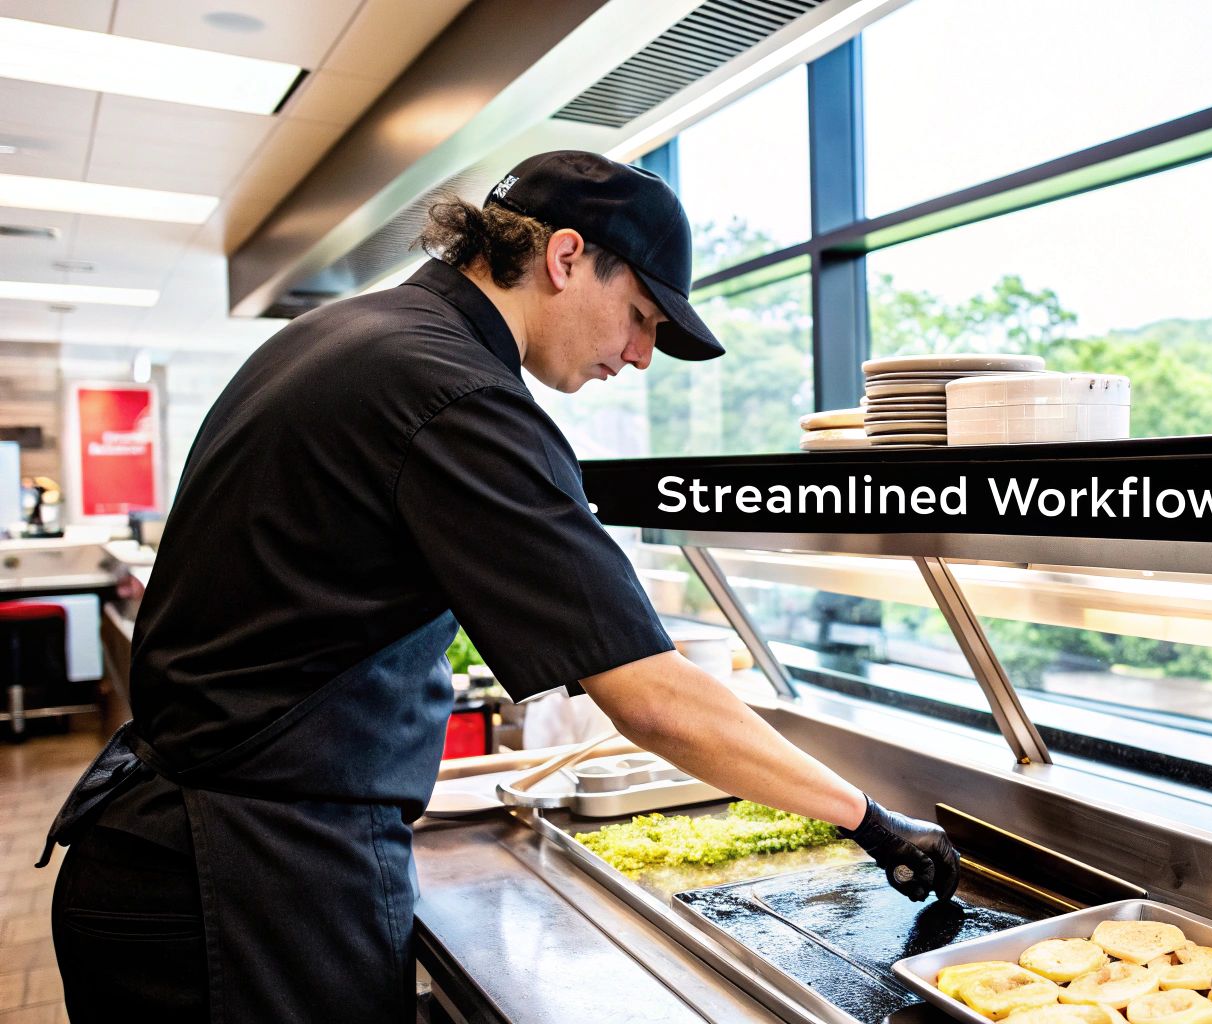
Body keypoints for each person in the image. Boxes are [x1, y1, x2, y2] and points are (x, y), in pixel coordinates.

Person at [39, 151, 959, 1022]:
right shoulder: (456, 393)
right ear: (566, 258)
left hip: (188, 852)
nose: (639, 354)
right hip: (241, 889)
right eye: (642, 316)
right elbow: (651, 697)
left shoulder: (353, 333)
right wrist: (874, 822)